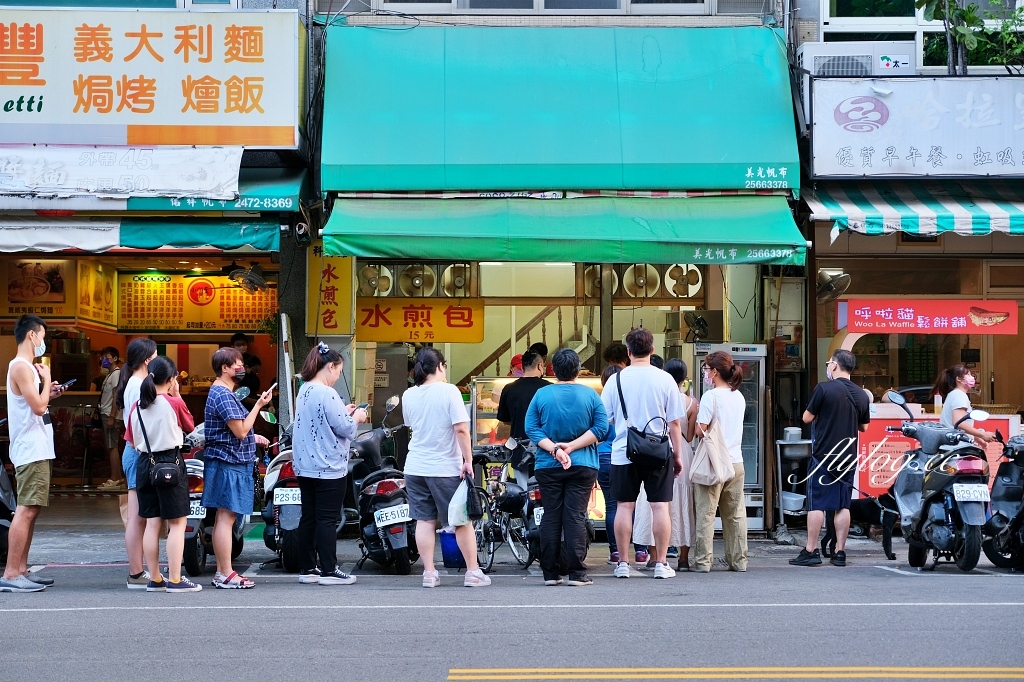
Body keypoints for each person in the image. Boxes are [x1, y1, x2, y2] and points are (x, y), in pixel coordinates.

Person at [403, 348, 490, 588]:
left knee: (424, 520)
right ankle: (473, 572)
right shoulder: (449, 391)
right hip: (443, 468)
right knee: (461, 520)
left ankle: (429, 573)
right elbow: (461, 429)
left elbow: (412, 425)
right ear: (440, 366)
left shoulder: (409, 395)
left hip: (415, 466)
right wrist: (468, 460)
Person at [602, 328, 684, 580]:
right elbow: (674, 424)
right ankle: (660, 563)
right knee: (660, 507)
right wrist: (677, 456)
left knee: (623, 507)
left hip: (623, 453)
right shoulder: (666, 380)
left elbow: (606, 419)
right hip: (659, 453)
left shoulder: (616, 381)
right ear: (652, 350)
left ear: (628, 352)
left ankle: (623, 563)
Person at [525, 348, 608, 586]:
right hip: (583, 465)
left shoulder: (542, 394)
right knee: (575, 516)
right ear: (578, 370)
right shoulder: (590, 395)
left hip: (548, 464)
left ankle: (550, 573)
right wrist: (571, 447)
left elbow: (531, 428)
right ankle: (577, 573)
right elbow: (601, 428)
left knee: (551, 516)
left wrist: (555, 450)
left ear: (553, 370)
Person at [292, 342, 367, 586]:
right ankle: (329, 570)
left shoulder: (304, 390)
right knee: (327, 519)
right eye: (338, 371)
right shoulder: (327, 393)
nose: (337, 376)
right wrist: (357, 416)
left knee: (309, 517)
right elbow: (346, 428)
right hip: (328, 466)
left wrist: (342, 411)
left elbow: (320, 419)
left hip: (305, 465)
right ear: (330, 366)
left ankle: (308, 568)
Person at [125, 356, 201, 593]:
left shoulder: (138, 405)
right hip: (169, 462)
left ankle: (155, 578)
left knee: (152, 523)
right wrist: (177, 395)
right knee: (177, 523)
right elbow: (190, 426)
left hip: (144, 464)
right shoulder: (173, 402)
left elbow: (131, 439)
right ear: (171, 380)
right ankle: (176, 579)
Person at [790, 349, 870, 568]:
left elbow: (806, 418)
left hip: (824, 455)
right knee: (843, 505)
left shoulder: (824, 389)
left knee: (816, 503)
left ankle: (811, 550)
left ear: (834, 365)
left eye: (829, 363)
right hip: (848, 456)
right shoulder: (862, 395)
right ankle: (840, 552)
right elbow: (863, 426)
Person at [0, 315, 63, 593]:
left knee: (32, 509)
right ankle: (12, 573)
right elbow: (38, 408)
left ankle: (22, 569)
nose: (43, 342)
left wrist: (48, 392)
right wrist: (46, 378)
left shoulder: (24, 367)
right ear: (32, 336)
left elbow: (36, 403)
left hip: (36, 446)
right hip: (30, 448)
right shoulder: (22, 367)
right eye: (42, 336)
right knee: (25, 510)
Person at [202, 347, 273, 589]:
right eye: (237, 364)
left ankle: (224, 572)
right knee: (225, 518)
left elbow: (234, 433)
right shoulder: (221, 393)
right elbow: (241, 430)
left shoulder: (225, 392)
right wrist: (258, 406)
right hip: (227, 462)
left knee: (225, 517)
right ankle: (225, 573)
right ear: (225, 368)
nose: (241, 368)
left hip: (230, 460)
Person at [634, 359, 698, 571]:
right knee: (683, 504)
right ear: (684, 378)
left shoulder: (660, 395)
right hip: (683, 452)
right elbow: (689, 437)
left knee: (654, 502)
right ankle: (683, 559)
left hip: (658, 449)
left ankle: (654, 556)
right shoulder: (691, 403)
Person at [693, 351, 748, 573]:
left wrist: (695, 415)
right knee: (735, 515)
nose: (705, 373)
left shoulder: (711, 397)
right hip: (736, 461)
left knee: (706, 513)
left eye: (707, 369)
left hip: (714, 463)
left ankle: (703, 562)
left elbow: (700, 431)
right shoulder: (739, 396)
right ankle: (739, 561)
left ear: (715, 372)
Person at [116, 337, 158, 589]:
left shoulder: (134, 382)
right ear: (146, 359)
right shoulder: (139, 384)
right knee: (137, 517)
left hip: (135, 451)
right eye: (154, 355)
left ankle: (139, 570)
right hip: (138, 451)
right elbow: (140, 426)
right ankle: (135, 572)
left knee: (139, 516)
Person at [497, 350, 548, 486]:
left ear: (523, 366)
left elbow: (503, 418)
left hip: (519, 449)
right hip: (545, 449)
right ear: (539, 366)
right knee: (545, 493)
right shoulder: (549, 388)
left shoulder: (509, 388)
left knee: (523, 493)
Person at [934, 364, 994, 443]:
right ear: (959, 379)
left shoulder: (954, 394)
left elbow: (957, 426)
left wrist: (976, 437)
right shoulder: (959, 395)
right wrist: (982, 434)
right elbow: (958, 422)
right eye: (968, 374)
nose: (971, 377)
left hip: (951, 445)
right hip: (957, 447)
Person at [597, 364, 621, 564]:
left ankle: (615, 552)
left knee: (612, 506)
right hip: (625, 456)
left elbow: (598, 432)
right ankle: (640, 550)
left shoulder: (600, 401)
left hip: (603, 457)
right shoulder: (627, 400)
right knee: (632, 505)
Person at [97, 346, 125, 491]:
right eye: (102, 358)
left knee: (112, 446)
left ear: (115, 358)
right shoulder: (110, 374)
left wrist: (112, 416)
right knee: (110, 445)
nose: (104, 360)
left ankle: (115, 478)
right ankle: (118, 477)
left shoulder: (116, 374)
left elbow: (115, 396)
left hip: (110, 414)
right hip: (107, 413)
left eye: (107, 357)